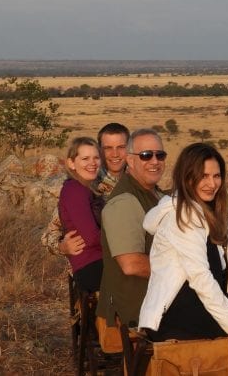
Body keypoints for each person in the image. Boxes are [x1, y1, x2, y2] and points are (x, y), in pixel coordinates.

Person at [139, 143, 228, 359]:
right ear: (187, 177)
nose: (211, 184)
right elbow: (201, 278)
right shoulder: (185, 215)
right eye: (203, 176)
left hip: (192, 303)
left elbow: (219, 272)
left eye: (216, 176)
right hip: (177, 315)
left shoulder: (201, 210)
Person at [98, 128, 166, 328]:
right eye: (146, 156)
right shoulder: (124, 202)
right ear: (130, 160)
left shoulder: (155, 195)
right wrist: (184, 272)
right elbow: (132, 265)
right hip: (137, 306)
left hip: (154, 297)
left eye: (159, 155)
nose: (154, 161)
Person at [41, 122, 130, 258]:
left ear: (129, 148)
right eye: (108, 148)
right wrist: (62, 247)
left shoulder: (138, 180)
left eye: (121, 147)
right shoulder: (84, 184)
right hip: (92, 268)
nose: (115, 154)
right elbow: (49, 235)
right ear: (99, 150)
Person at [57, 137, 106, 293]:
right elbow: (91, 237)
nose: (92, 163)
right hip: (92, 264)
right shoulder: (74, 190)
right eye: (85, 158)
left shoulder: (85, 189)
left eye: (96, 158)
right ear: (71, 163)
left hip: (97, 261)